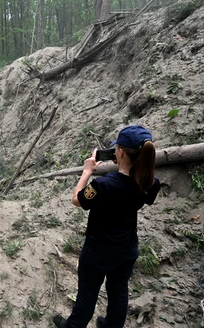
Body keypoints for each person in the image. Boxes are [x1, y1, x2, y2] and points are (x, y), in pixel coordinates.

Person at [53, 125, 161, 328]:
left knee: (87, 293)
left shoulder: (103, 185)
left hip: (97, 251)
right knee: (118, 292)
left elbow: (77, 200)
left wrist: (87, 172)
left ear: (119, 153)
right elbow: (137, 187)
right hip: (127, 250)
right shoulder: (151, 183)